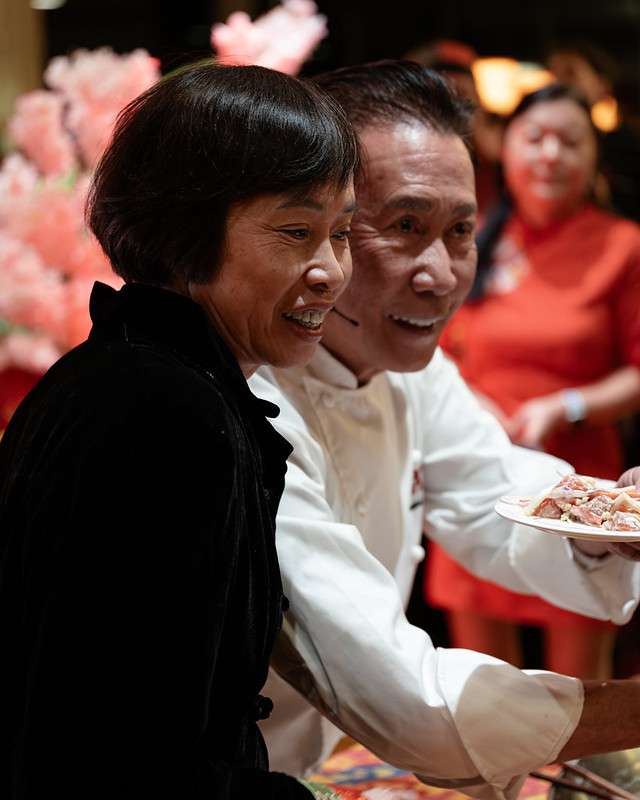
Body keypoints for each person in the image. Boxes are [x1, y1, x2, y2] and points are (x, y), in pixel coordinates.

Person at [247, 60, 640, 800]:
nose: (441, 274)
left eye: (460, 230)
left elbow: (497, 491)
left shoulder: (412, 370)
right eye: (404, 226)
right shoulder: (247, 406)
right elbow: (408, 703)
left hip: (327, 761)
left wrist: (608, 525)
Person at [0, 61, 360, 799]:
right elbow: (126, 767)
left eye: (343, 233)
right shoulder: (168, 416)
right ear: (184, 230)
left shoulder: (125, 370)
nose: (330, 270)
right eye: (296, 231)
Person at [428, 82, 640, 680]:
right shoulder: (475, 237)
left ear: (594, 157)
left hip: (578, 480)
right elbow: (432, 349)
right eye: (535, 138)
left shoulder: (622, 245)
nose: (551, 154)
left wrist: (565, 406)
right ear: (505, 148)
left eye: (570, 141)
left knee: (579, 691)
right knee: (480, 688)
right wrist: (469, 403)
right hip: (476, 474)